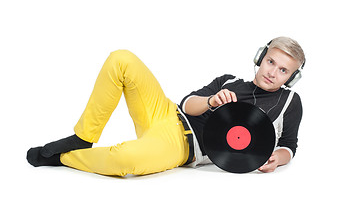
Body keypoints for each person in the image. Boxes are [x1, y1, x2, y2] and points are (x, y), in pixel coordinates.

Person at [27, 36, 305, 175]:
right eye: (270, 62)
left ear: (291, 78)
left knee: (126, 161)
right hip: (166, 111)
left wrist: (276, 159)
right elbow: (187, 103)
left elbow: (289, 145)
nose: (272, 72)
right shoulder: (228, 80)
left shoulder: (289, 103)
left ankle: (64, 158)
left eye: (283, 70)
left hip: (181, 146)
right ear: (260, 58)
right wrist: (211, 100)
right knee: (121, 58)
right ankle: (83, 137)